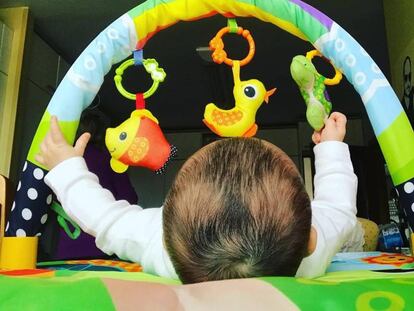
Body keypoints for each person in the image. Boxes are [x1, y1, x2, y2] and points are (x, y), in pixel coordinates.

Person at [36, 112, 362, 283]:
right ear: (310, 240)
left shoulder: (161, 245)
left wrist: (66, 169)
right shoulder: (314, 251)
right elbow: (337, 207)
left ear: (164, 235)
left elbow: (104, 218)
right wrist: (331, 146)